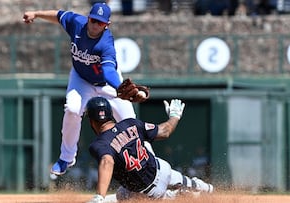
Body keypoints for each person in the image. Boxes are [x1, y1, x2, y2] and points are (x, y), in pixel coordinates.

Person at [22, 3, 141, 175]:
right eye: (93, 20)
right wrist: (36, 13)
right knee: (72, 109)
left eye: (100, 23)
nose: (94, 25)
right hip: (81, 79)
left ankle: (148, 160)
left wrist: (119, 88)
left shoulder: (106, 44)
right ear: (88, 18)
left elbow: (108, 71)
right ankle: (66, 158)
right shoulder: (76, 23)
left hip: (107, 84)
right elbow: (58, 15)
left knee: (130, 122)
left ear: (106, 25)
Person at [85, 96, 214, 202]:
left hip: (148, 193)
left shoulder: (99, 144)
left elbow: (107, 161)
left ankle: (183, 195)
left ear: (91, 122)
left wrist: (100, 195)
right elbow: (165, 131)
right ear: (110, 114)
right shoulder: (131, 123)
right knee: (145, 144)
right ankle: (198, 185)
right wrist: (174, 116)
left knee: (123, 196)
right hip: (162, 168)